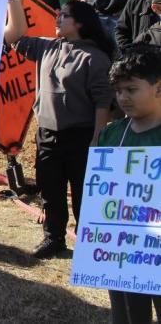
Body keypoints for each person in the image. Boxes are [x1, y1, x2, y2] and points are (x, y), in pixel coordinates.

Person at [5, 0, 114, 259]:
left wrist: (97, 139)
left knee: (82, 194)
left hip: (81, 136)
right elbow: (16, 37)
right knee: (51, 189)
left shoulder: (95, 58)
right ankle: (54, 239)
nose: (57, 18)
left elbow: (103, 101)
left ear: (79, 23)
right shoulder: (47, 47)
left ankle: (90, 244)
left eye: (63, 15)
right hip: (47, 135)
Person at [100, 47, 161, 323]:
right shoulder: (111, 134)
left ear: (158, 88)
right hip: (123, 250)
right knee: (126, 315)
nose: (123, 97)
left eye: (132, 89)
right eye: (118, 90)